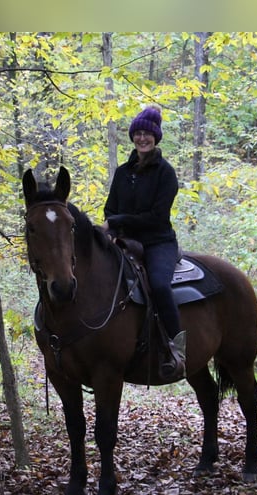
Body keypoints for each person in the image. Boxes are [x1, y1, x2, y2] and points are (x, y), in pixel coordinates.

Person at [101, 105, 186, 382]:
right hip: (125, 242)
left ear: (156, 137)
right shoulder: (123, 172)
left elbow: (156, 217)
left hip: (157, 242)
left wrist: (118, 221)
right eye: (137, 133)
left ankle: (177, 347)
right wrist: (113, 227)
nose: (142, 138)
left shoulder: (166, 173)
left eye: (147, 134)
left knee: (160, 285)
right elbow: (109, 208)